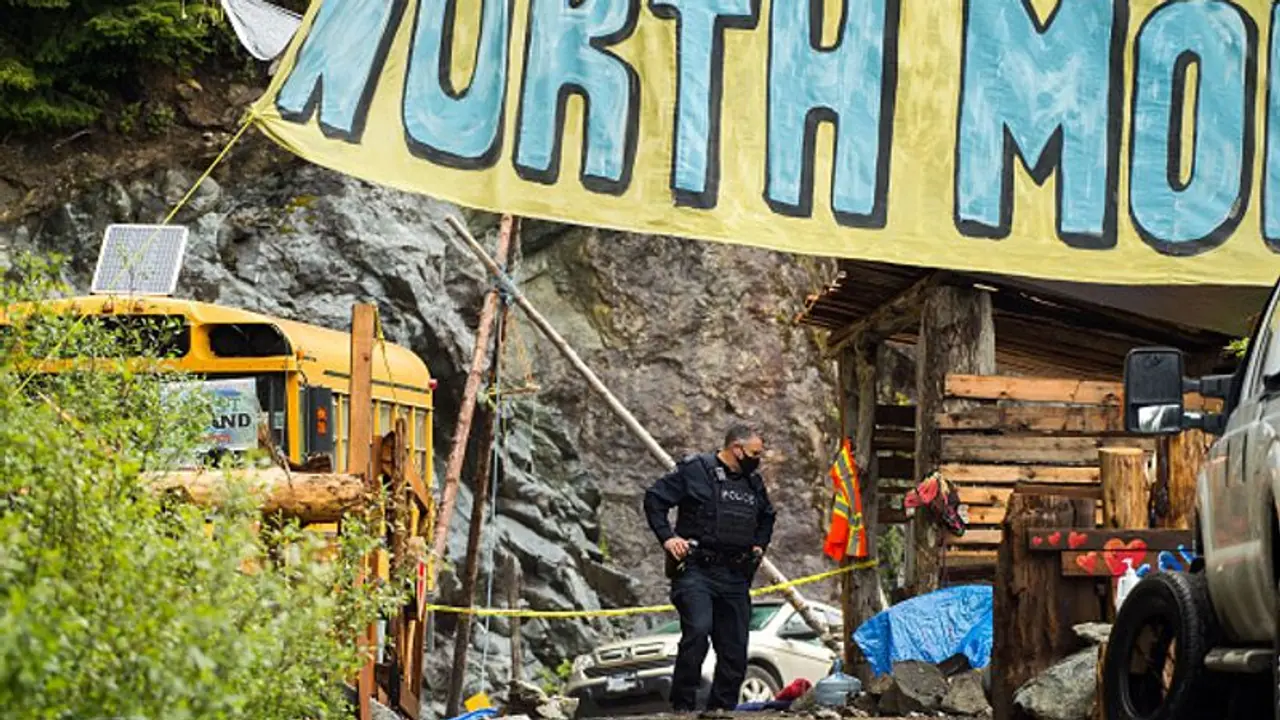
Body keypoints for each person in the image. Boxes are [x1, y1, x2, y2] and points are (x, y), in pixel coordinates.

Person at [642, 423, 776, 714]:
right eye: (755, 453)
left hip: (735, 576)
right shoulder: (695, 470)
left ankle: (721, 710)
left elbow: (767, 515)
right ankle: (683, 707)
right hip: (696, 570)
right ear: (736, 449)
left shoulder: (753, 483)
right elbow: (654, 499)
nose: (758, 459)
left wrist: (758, 545)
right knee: (697, 632)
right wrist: (668, 538)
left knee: (735, 650)